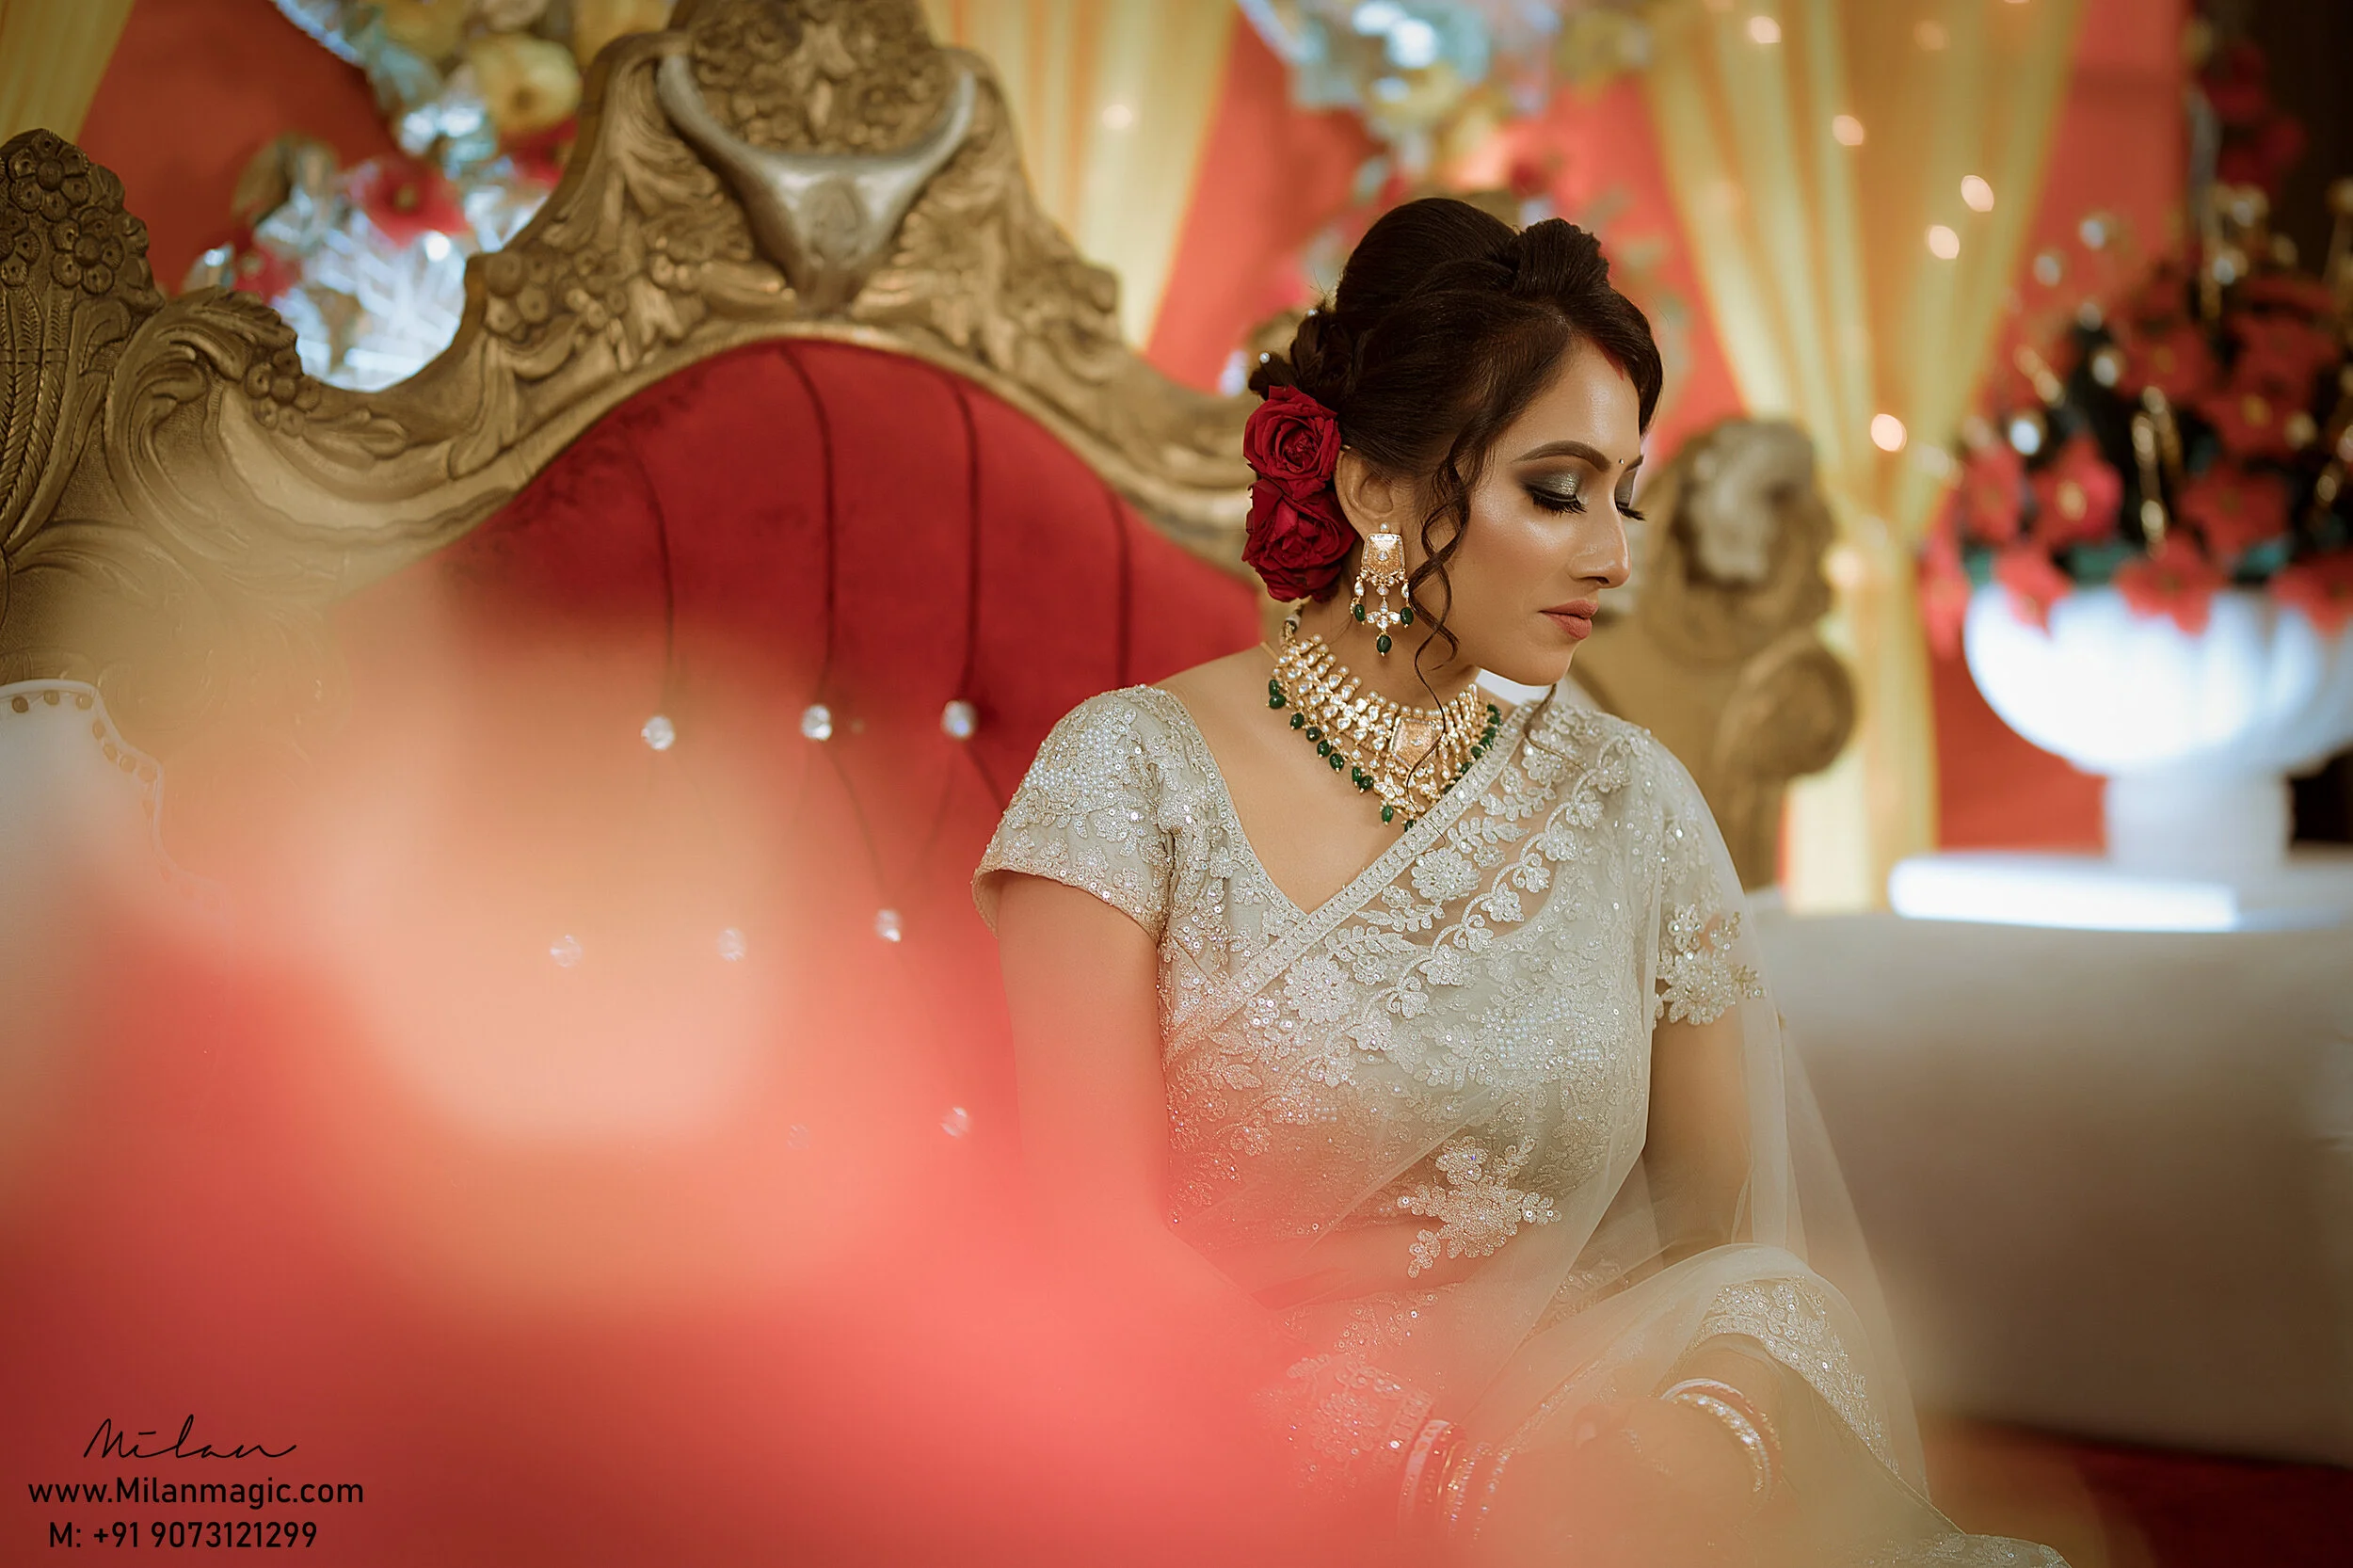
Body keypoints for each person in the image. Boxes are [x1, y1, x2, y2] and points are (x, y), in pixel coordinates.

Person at [972, 198, 2066, 1567]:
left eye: (1625, 496)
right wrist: (1442, 1477)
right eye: (1556, 492)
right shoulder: (1127, 778)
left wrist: (1701, 1432)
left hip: (1600, 1497)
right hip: (1228, 1492)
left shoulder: (1634, 802)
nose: (1614, 555)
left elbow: (1730, 1252)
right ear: (1376, 488)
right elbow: (1089, 1245)